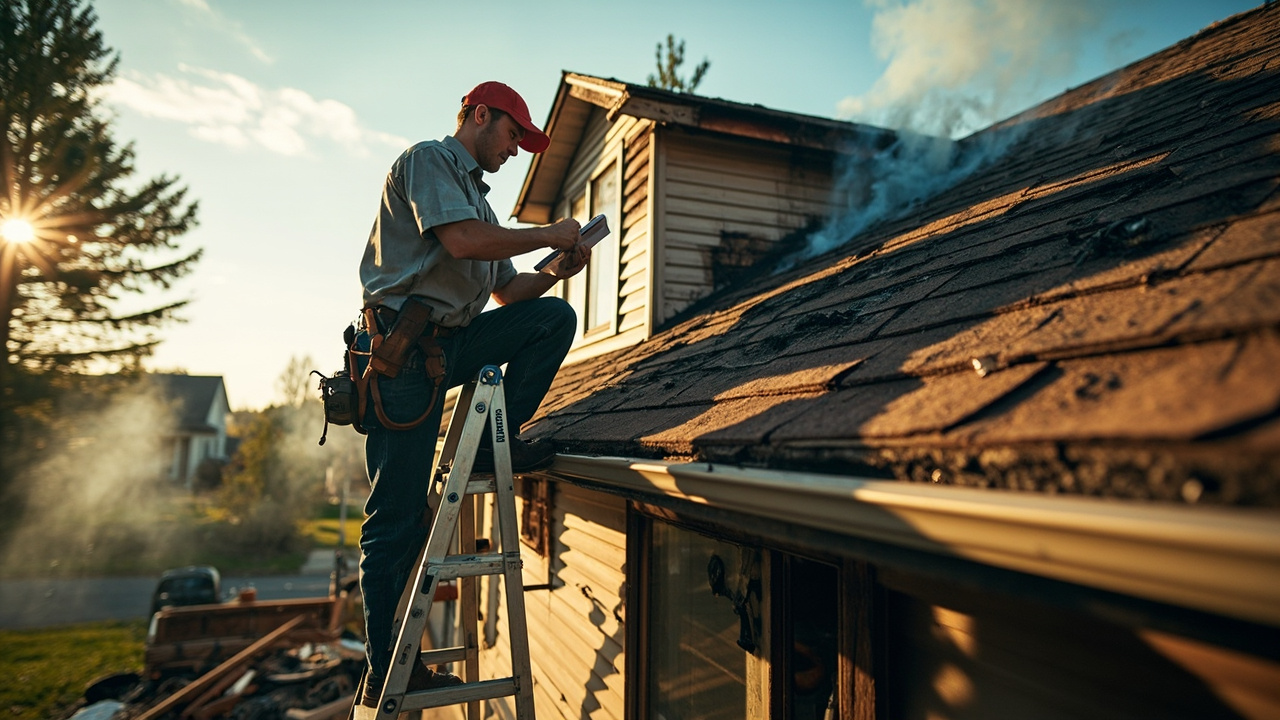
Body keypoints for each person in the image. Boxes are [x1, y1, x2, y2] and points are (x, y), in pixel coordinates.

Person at [355, 80, 588, 707]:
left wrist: (554, 269)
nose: (517, 150)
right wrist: (548, 233)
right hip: (402, 355)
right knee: (396, 521)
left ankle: (489, 447)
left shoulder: (483, 210)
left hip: (448, 347)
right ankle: (385, 671)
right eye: (514, 134)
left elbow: (508, 297)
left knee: (553, 319)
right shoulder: (429, 160)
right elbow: (458, 243)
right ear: (479, 116)